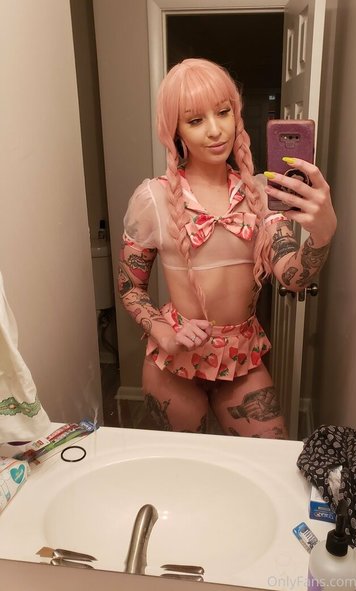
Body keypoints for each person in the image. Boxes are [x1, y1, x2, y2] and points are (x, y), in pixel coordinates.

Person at [118, 58, 336, 438]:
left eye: (223, 112)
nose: (216, 130)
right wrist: (163, 332)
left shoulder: (260, 194)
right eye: (195, 120)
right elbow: (130, 288)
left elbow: (293, 277)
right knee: (187, 465)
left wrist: (323, 233)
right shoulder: (152, 199)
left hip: (242, 359)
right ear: (176, 130)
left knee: (269, 457)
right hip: (174, 361)